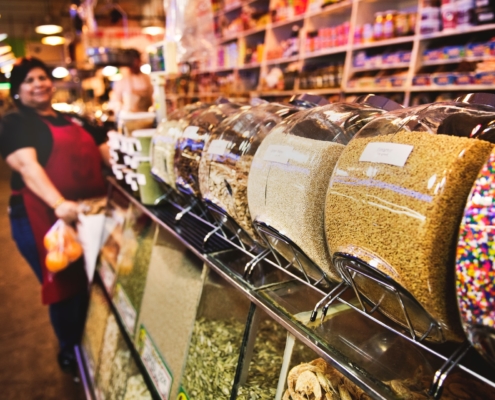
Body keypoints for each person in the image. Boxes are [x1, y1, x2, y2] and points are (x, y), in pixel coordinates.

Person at [0, 57, 110, 376]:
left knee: (94, 279)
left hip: (88, 214)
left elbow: (106, 150)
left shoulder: (73, 119)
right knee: (64, 282)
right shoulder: (15, 122)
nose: (39, 84)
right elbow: (27, 167)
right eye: (29, 80)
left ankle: (92, 341)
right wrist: (59, 202)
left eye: (43, 78)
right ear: (18, 90)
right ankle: (71, 352)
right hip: (42, 216)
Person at [109, 48, 154, 114]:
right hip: (130, 118)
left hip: (147, 117)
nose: (135, 64)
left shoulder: (148, 78)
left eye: (137, 62)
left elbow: (154, 97)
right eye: (133, 63)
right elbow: (114, 102)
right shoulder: (122, 81)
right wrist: (122, 109)